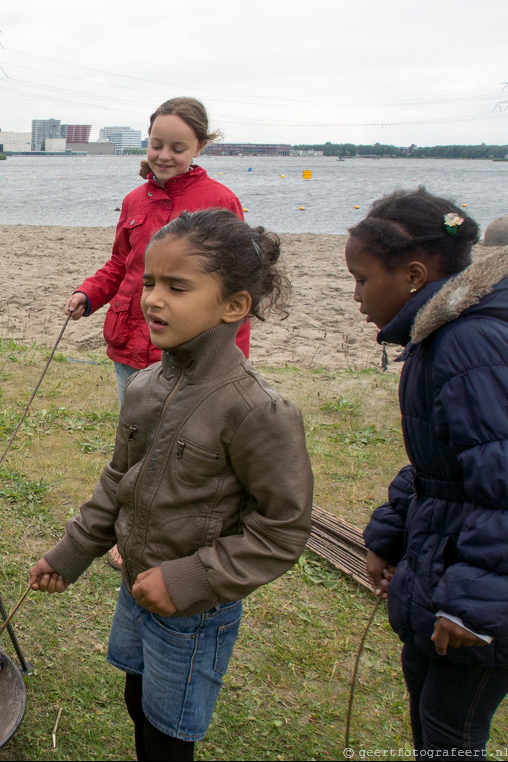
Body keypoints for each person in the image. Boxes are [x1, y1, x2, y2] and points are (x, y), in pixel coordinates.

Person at [32, 210, 313, 761]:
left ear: (234, 306)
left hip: (194, 609)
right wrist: (70, 554)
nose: (153, 299)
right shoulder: (142, 387)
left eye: (177, 287)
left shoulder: (258, 411)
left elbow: (283, 529)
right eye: (151, 282)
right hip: (138, 587)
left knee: (169, 734)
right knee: (139, 699)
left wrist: (189, 579)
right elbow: (119, 480)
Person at [347, 188, 508, 755]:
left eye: (363, 280)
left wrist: (471, 605)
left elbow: (505, 482)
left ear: (415, 274)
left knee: (450, 728)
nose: (356, 295)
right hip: (443, 559)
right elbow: (436, 464)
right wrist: (391, 531)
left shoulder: (469, 345)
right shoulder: (437, 335)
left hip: (483, 592)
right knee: (427, 707)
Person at [63, 97, 250, 571]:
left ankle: (166, 539)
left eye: (178, 147)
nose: (165, 156)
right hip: (130, 343)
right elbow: (118, 265)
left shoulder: (221, 201)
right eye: (157, 144)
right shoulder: (133, 200)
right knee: (135, 444)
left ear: (200, 147)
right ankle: (123, 534)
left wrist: (233, 358)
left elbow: (237, 284)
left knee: (179, 452)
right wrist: (89, 294)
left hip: (189, 352)